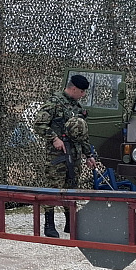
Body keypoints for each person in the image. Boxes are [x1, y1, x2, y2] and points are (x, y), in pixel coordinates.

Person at [33, 74, 97, 237]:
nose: (83, 95)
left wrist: (89, 155)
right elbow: (39, 124)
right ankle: (49, 226)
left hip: (74, 155)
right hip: (57, 156)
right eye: (81, 91)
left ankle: (71, 223)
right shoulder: (54, 103)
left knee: (72, 188)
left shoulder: (77, 107)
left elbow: (82, 134)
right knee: (54, 188)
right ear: (73, 88)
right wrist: (54, 138)